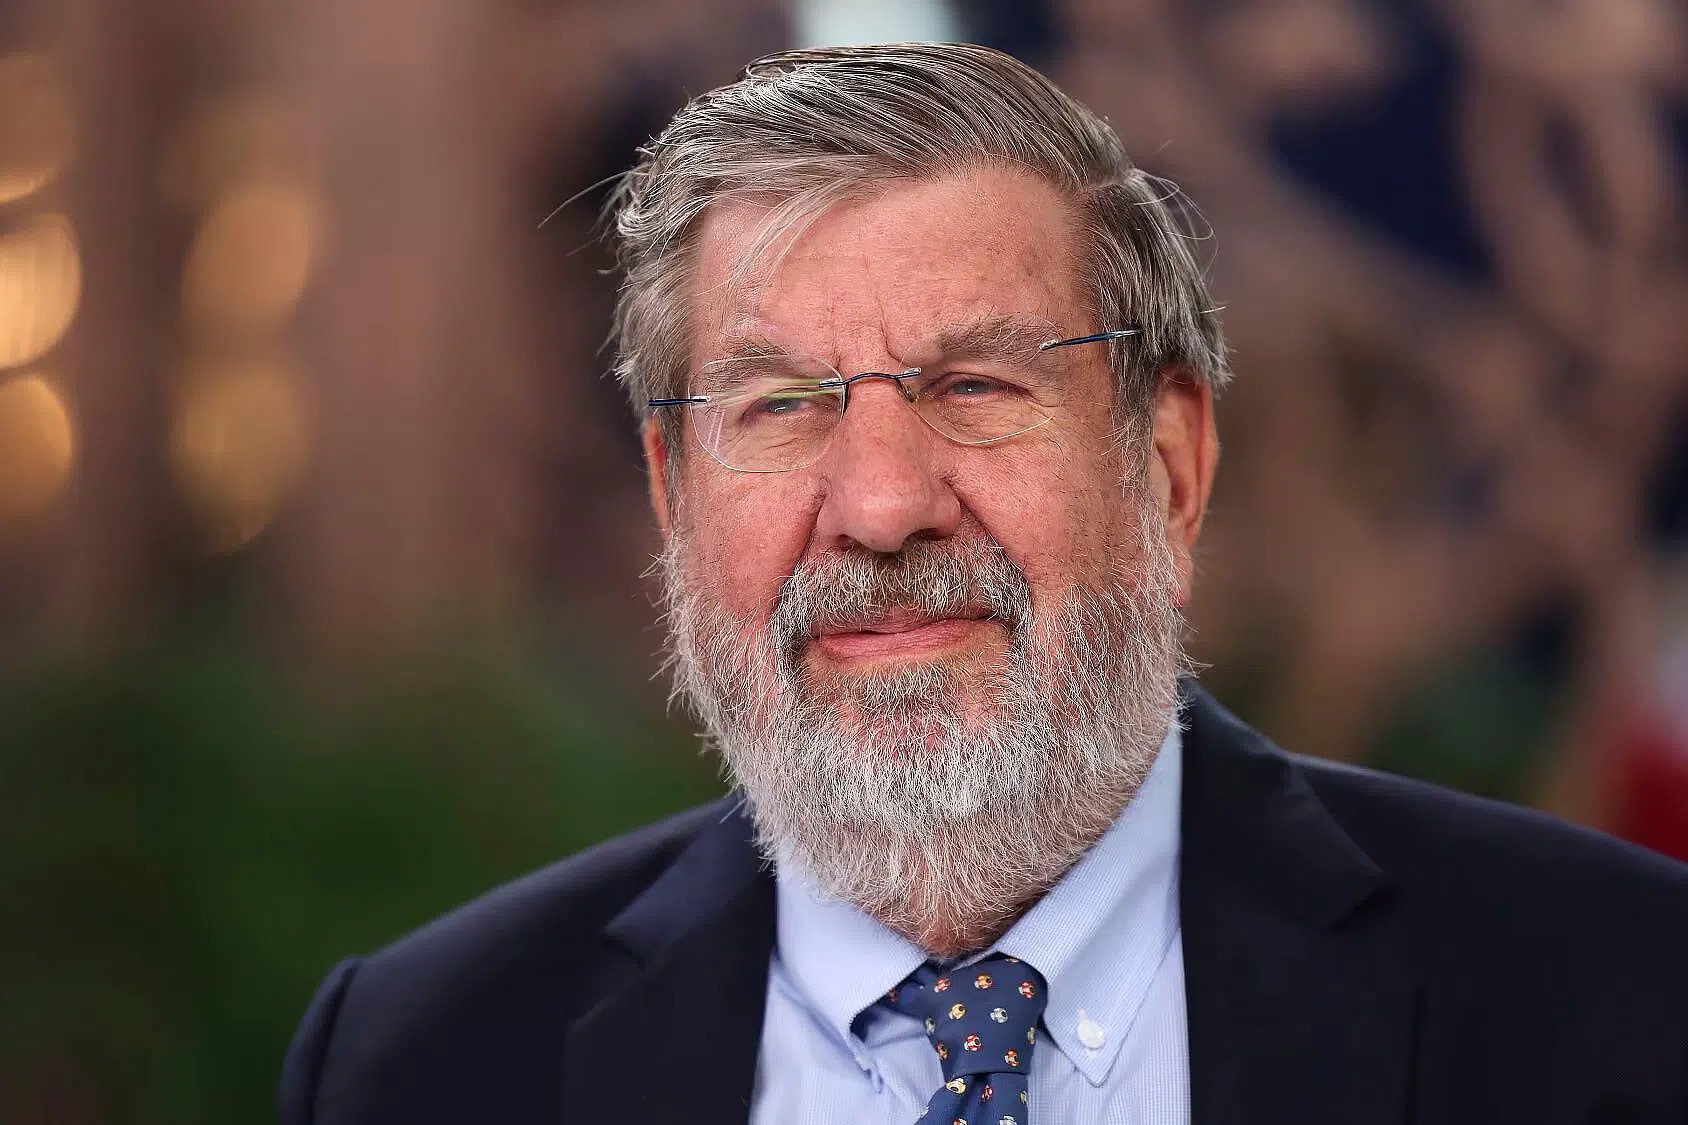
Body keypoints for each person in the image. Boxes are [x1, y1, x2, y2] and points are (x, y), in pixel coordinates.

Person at [278, 43, 1688, 1125]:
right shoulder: (420, 1063)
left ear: (1170, 465)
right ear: (672, 495)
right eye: (780, 407)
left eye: (976, 386)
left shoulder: (1624, 1000)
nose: (883, 506)